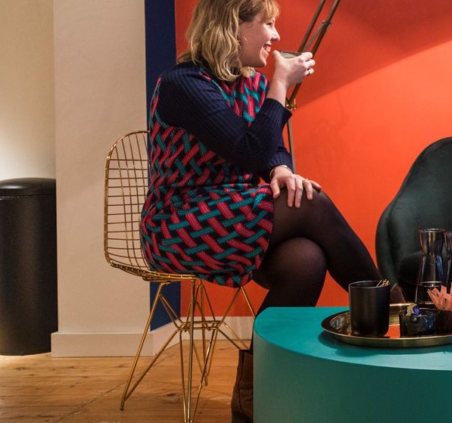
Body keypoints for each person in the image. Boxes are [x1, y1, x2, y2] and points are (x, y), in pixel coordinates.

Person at [139, 0, 380, 420]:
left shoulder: (248, 82)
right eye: (267, 23)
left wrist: (281, 169)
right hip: (181, 221)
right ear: (233, 25)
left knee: (306, 259)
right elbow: (248, 150)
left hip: (236, 212)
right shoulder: (184, 83)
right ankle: (392, 309)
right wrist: (281, 84)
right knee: (312, 203)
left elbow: (269, 148)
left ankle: (257, 392)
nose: (276, 35)